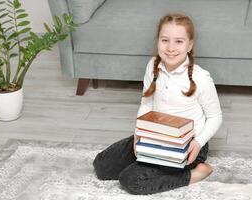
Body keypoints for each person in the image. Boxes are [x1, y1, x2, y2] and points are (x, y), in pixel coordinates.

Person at [93, 13, 222, 195]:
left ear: (190, 45)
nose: (170, 48)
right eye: (165, 40)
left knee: (131, 180)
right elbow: (146, 103)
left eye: (179, 41)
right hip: (156, 135)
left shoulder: (201, 77)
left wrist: (199, 143)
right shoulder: (152, 66)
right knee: (101, 165)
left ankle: (194, 174)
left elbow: (215, 117)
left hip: (188, 145)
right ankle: (147, 162)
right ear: (157, 41)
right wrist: (139, 133)